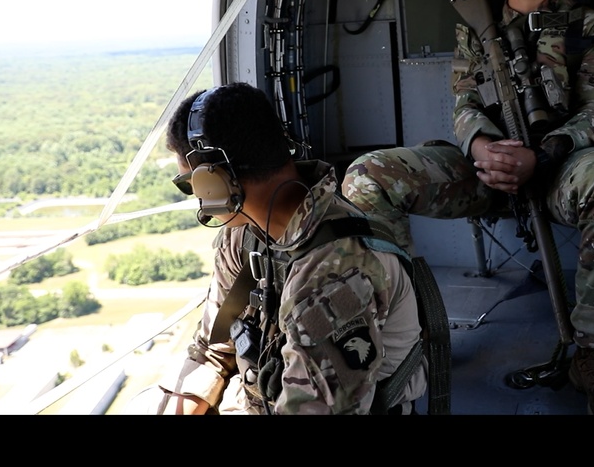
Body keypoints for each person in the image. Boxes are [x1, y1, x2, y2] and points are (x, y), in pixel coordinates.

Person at [342, 0, 594, 415]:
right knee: (369, 177)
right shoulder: (474, 26)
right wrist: (482, 147)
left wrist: (546, 153)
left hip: (562, 166)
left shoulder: (586, 23)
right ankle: (403, 340)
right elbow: (463, 104)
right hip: (488, 167)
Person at [147, 82, 427, 414]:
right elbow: (213, 348)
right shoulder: (245, 235)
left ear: (214, 181)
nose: (195, 196)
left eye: (187, 183)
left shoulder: (335, 275)